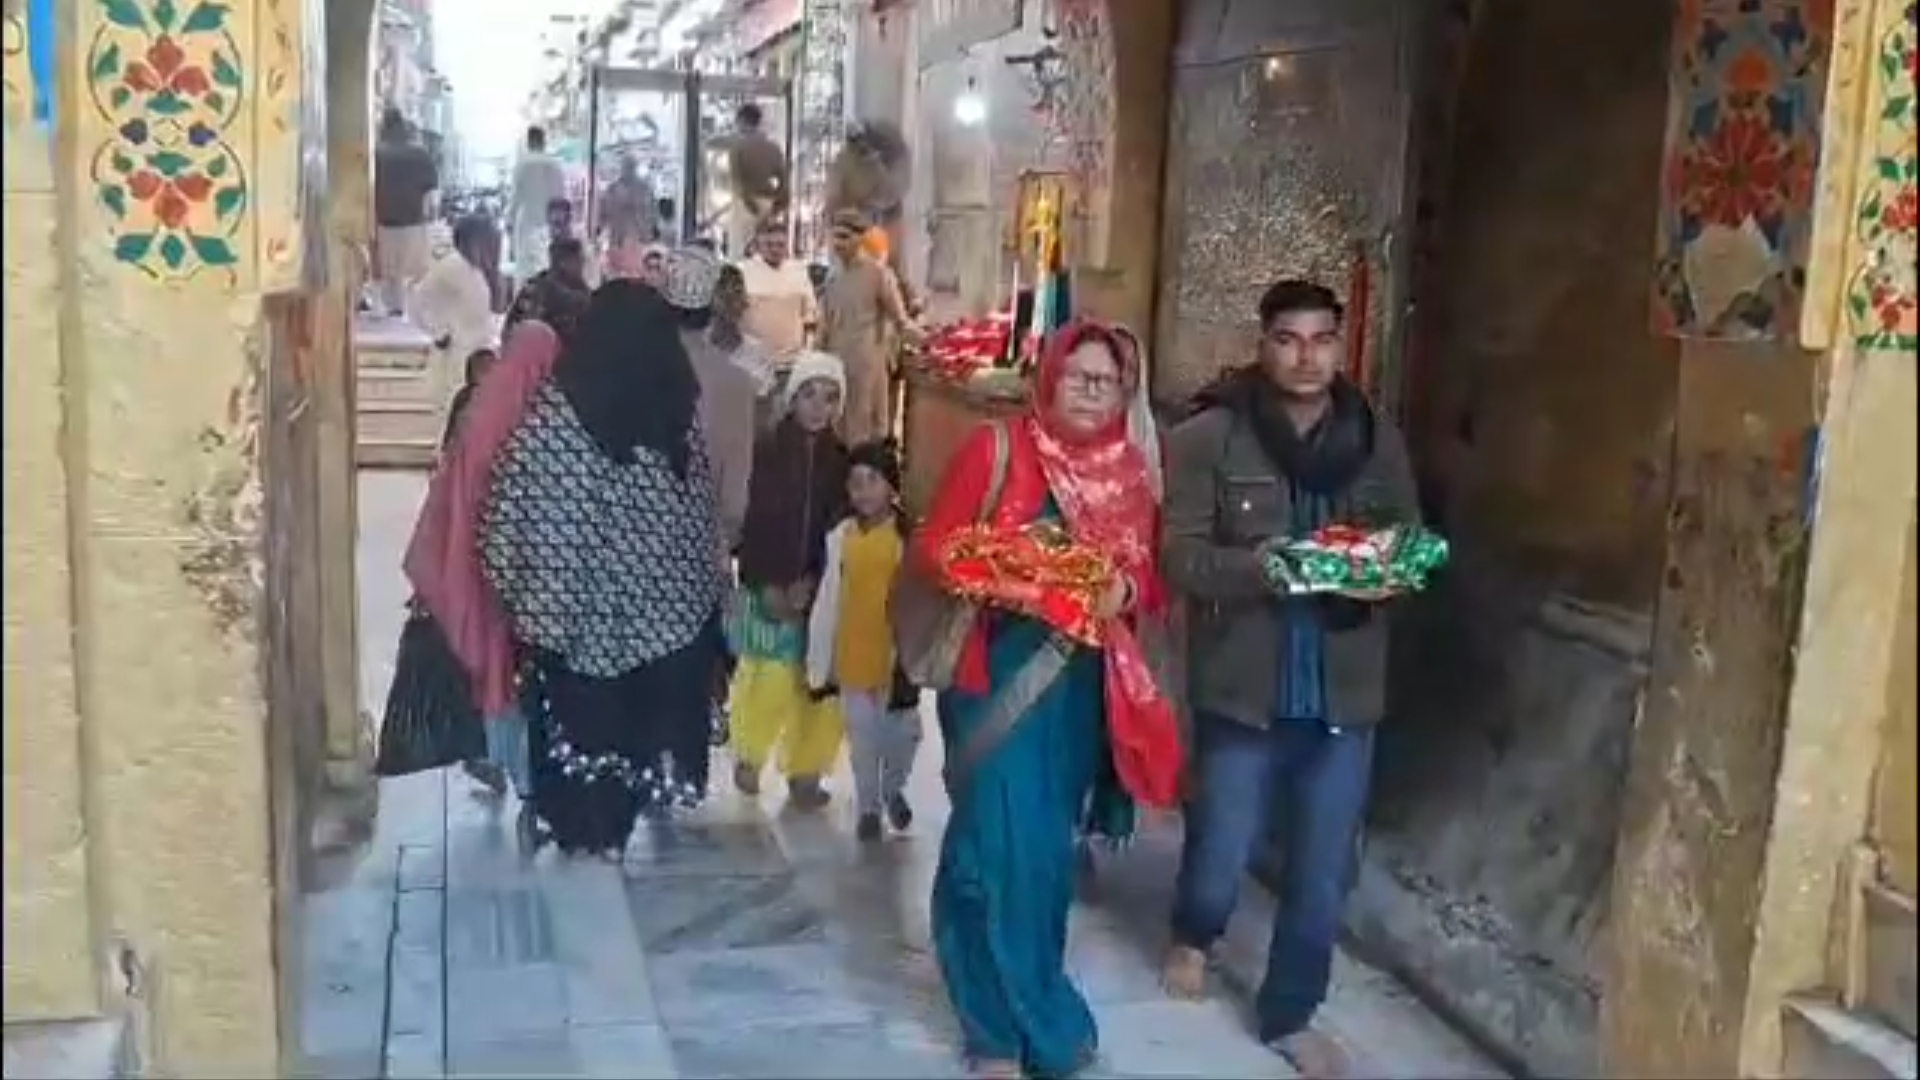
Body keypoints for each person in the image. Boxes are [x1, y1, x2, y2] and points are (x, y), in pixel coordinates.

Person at [1159, 280, 1419, 1079]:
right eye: (1288, 339)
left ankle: (1290, 1010)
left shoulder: (1378, 440)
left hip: (1343, 687)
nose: (1306, 357)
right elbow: (1181, 558)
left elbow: (1406, 543)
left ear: (1343, 347)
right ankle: (1196, 930)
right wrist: (1264, 569)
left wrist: (1390, 575)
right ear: (1263, 343)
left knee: (1323, 863)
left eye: (1321, 340)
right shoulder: (1210, 437)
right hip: (1245, 681)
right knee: (1223, 842)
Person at [918, 320, 1183, 1079]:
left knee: (1031, 860)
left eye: (1108, 383)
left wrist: (1123, 587)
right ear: (1050, 377)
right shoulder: (999, 450)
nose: (1093, 394)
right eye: (1079, 378)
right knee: (1004, 847)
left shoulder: (1130, 473)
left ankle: (1016, 1001)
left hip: (1078, 693)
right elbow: (937, 547)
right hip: (998, 678)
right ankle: (1002, 1032)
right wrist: (1024, 580)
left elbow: (1150, 580)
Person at [479, 281, 731, 858]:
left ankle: (581, 827)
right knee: (639, 729)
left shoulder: (553, 424)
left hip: (575, 628)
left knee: (578, 731)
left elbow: (514, 525)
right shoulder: (675, 416)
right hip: (665, 628)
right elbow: (696, 528)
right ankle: (618, 823)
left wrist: (526, 603)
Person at [404, 320, 566, 843]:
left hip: (470, 566)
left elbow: (446, 495)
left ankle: (504, 767)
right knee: (518, 676)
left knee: (493, 674)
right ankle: (530, 786)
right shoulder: (540, 421)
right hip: (521, 572)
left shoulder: (480, 415)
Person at [728, 351, 851, 807]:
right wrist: (766, 582)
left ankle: (806, 769)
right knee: (768, 675)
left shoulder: (842, 462)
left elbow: (840, 532)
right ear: (792, 396)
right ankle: (750, 756)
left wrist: (816, 585)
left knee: (817, 683)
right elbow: (749, 523)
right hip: (768, 586)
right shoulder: (766, 451)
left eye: (831, 398)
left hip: (818, 594)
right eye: (810, 395)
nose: (819, 407)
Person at [804, 438, 921, 841]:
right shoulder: (841, 536)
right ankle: (869, 807)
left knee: (903, 736)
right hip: (853, 655)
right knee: (863, 740)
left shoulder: (907, 539)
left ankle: (893, 790)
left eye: (873, 481)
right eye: (856, 483)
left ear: (891, 486)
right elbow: (829, 595)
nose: (864, 492)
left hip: (895, 660)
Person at [661, 246, 759, 549]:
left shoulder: (633, 370)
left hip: (632, 547)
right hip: (701, 542)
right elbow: (734, 498)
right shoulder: (737, 383)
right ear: (712, 307)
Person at [820, 209, 918, 445]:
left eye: (845, 237)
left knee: (865, 431)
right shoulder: (832, 279)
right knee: (837, 428)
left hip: (866, 365)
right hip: (836, 364)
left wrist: (926, 341)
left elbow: (901, 320)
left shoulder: (878, 275)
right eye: (835, 237)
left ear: (860, 238)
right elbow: (825, 326)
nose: (838, 243)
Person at [411, 214, 500, 408]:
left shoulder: (478, 269)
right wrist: (439, 332)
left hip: (479, 358)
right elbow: (417, 302)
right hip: (454, 361)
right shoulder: (451, 266)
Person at [373, 107, 440, 317]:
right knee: (412, 273)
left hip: (384, 220)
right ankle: (410, 311)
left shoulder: (377, 154)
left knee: (389, 272)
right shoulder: (420, 154)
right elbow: (431, 191)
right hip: (414, 221)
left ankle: (393, 308)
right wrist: (431, 217)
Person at [735, 216, 817, 364]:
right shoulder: (742, 272)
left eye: (780, 245)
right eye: (769, 244)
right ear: (758, 244)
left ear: (786, 245)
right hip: (752, 362)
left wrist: (808, 350)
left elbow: (810, 314)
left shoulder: (799, 271)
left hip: (792, 359)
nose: (775, 249)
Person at [714, 103, 788, 255]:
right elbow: (784, 182)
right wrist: (775, 208)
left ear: (741, 121)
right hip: (768, 205)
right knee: (765, 254)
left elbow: (738, 183)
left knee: (740, 254)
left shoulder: (737, 148)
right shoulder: (773, 148)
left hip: (744, 207)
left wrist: (752, 206)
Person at [711, 264, 778, 416]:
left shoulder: (759, 354)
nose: (731, 302)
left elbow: (764, 411)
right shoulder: (696, 354)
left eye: (736, 293)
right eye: (723, 294)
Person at [506, 236, 593, 341]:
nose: (583, 265)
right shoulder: (557, 293)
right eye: (579, 260)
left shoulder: (533, 284)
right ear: (564, 263)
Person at [509, 126, 568, 276]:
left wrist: (509, 220)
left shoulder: (522, 165)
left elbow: (516, 198)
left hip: (528, 224)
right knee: (549, 265)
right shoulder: (555, 165)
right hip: (550, 224)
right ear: (544, 142)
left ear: (529, 142)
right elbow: (562, 197)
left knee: (527, 269)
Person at [597, 155, 655, 251]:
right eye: (626, 167)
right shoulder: (613, 189)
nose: (628, 170)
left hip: (638, 238)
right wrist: (601, 231)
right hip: (619, 239)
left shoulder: (644, 189)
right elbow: (603, 214)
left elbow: (651, 214)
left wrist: (648, 232)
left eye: (630, 167)